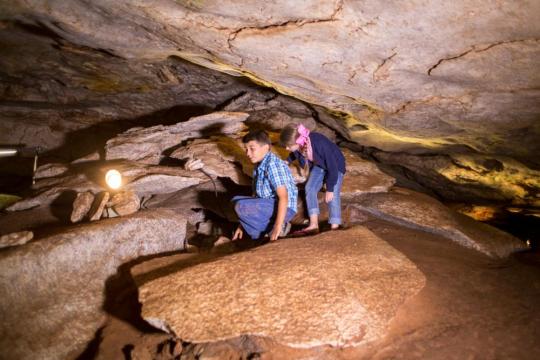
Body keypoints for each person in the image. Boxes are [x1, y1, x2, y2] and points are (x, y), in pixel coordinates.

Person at [232, 129, 298, 241]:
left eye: (252, 149)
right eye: (246, 149)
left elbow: (284, 197)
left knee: (240, 205)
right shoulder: (258, 167)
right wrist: (242, 224)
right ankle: (259, 238)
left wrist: (277, 227)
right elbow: (255, 198)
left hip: (285, 208)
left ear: (266, 147)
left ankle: (280, 227)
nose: (248, 153)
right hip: (267, 206)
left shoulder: (273, 164)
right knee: (235, 200)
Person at [279, 124, 346, 235]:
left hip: (336, 166)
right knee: (309, 188)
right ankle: (314, 224)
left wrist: (329, 189)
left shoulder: (319, 143)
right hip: (320, 166)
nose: (286, 148)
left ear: (297, 141)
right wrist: (287, 161)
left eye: (288, 145)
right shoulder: (300, 144)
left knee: (332, 194)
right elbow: (295, 153)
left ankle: (335, 226)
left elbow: (332, 168)